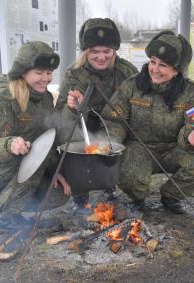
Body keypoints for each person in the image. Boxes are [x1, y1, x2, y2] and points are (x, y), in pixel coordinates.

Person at [101, 31, 194, 214]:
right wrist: (112, 143)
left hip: (175, 149)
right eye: (153, 61)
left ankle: (171, 196)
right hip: (139, 148)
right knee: (130, 173)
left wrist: (192, 135)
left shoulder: (191, 92)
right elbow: (114, 119)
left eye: (163, 65)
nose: (155, 69)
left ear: (176, 70)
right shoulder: (132, 86)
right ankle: (138, 198)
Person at [0, 41, 71, 229]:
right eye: (39, 72)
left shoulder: (45, 99)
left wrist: (54, 171)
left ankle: (0, 201)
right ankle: (7, 217)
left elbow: (47, 139)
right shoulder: (2, 100)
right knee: (34, 160)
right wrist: (9, 145)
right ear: (23, 72)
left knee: (59, 194)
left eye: (49, 72)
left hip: (15, 162)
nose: (45, 78)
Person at [55, 18, 138, 211]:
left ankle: (110, 186)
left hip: (117, 128)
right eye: (94, 51)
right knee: (70, 136)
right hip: (83, 128)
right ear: (85, 51)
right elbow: (60, 114)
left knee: (115, 145)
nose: (101, 57)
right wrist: (71, 107)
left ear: (114, 51)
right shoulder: (74, 74)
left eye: (106, 51)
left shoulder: (127, 72)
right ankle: (80, 194)